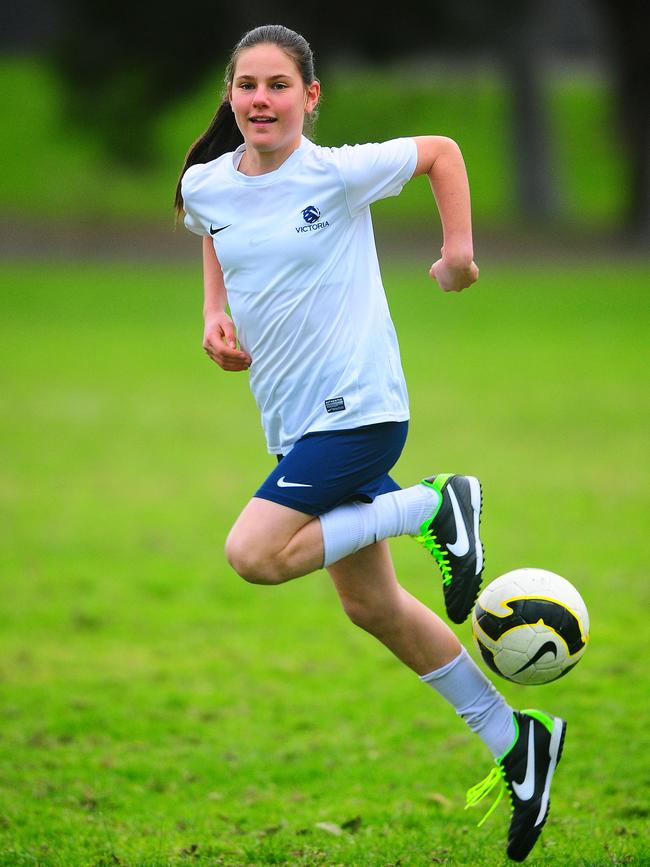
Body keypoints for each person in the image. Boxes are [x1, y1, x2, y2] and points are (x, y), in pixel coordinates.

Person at [174, 24, 566, 862]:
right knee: (372, 605)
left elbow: (442, 152)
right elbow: (214, 233)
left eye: (279, 85)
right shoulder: (207, 183)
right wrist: (214, 313)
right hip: (294, 424)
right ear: (230, 95)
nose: (261, 101)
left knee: (254, 552)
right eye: (248, 86)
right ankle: (516, 741)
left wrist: (457, 252)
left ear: (309, 97)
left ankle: (434, 503)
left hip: (360, 409)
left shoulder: (334, 171)